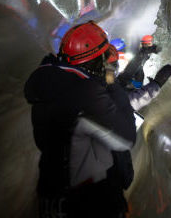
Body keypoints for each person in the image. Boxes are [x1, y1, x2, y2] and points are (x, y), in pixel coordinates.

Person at [24, 21, 136, 218]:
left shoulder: (49, 85)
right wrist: (110, 80)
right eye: (104, 58)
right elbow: (126, 138)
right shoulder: (86, 92)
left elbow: (45, 142)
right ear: (95, 60)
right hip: (91, 203)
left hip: (53, 198)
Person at [106, 43, 171, 111]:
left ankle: (142, 55)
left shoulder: (103, 83)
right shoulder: (113, 103)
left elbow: (125, 76)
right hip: (131, 90)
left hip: (125, 87)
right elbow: (134, 100)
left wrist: (142, 54)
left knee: (130, 75)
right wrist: (157, 83)